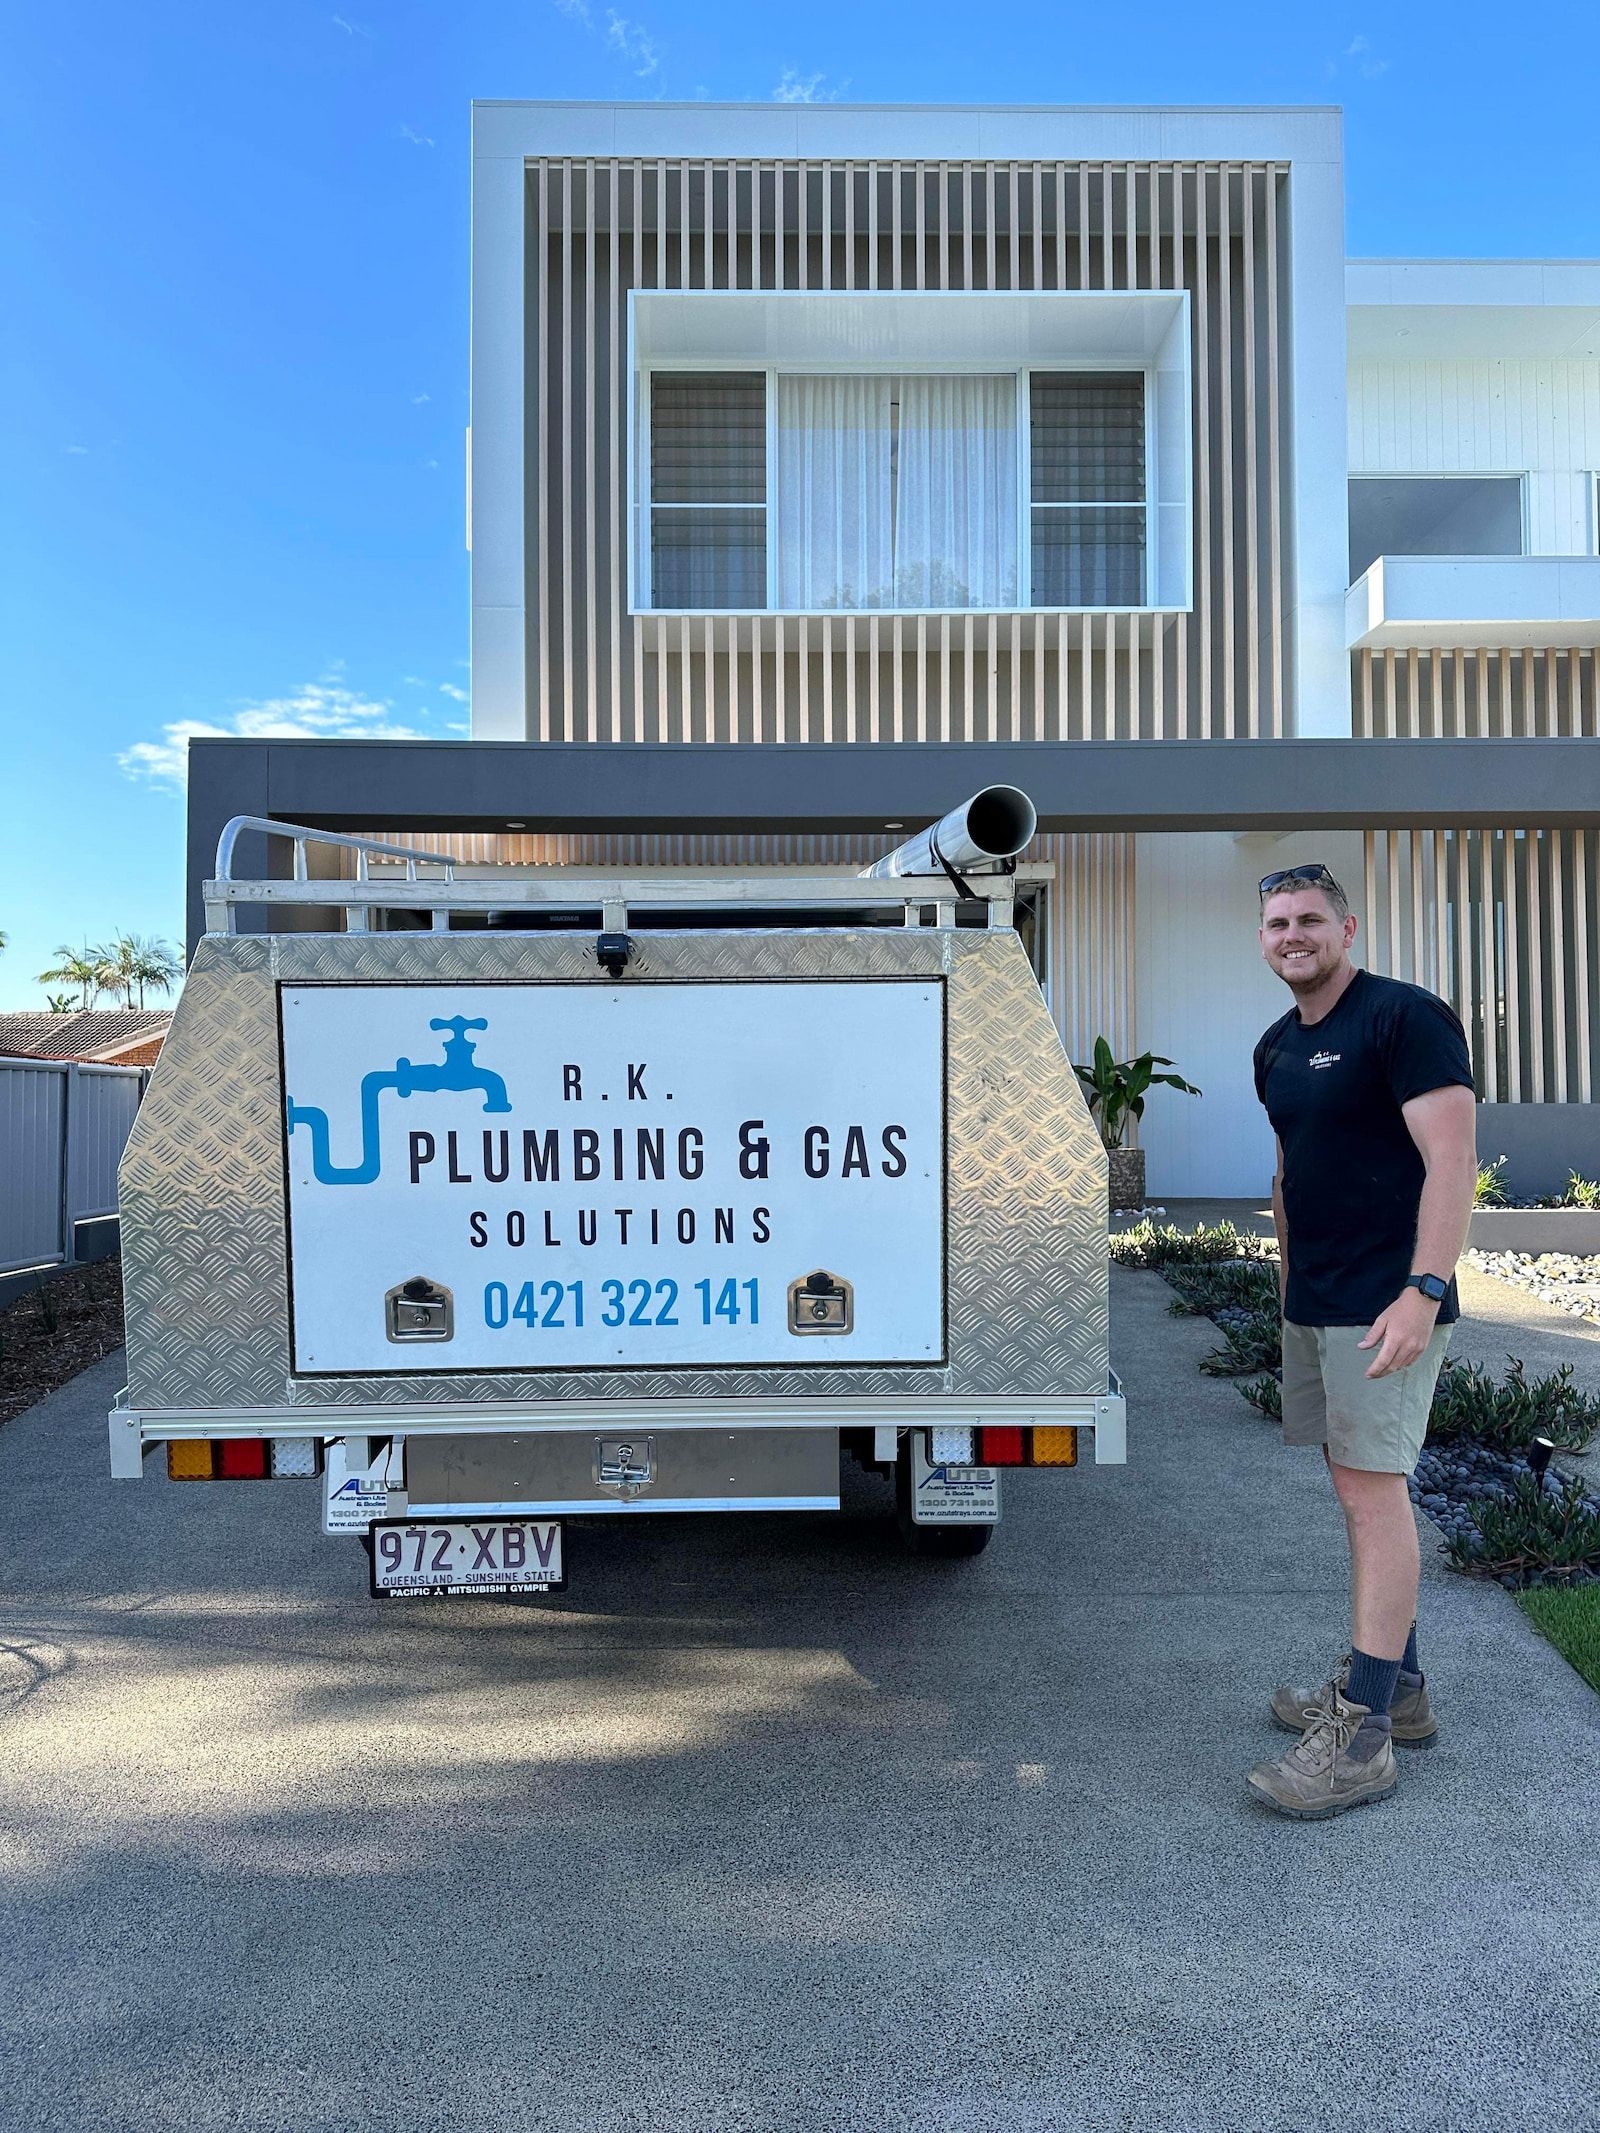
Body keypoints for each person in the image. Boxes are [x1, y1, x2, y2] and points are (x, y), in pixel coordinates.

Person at [1244, 863, 1477, 1821]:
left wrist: (1424, 1290)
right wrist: (1289, 1290)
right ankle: (1400, 1689)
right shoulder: (1274, 1047)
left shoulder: (1404, 1018)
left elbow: (1453, 1155)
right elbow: (1293, 1171)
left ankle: (1365, 1735)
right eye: (1274, 923)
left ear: (1346, 925)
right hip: (1319, 1302)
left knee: (1374, 1497)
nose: (1291, 934)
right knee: (1354, 1491)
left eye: (1307, 919)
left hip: (1387, 1301)